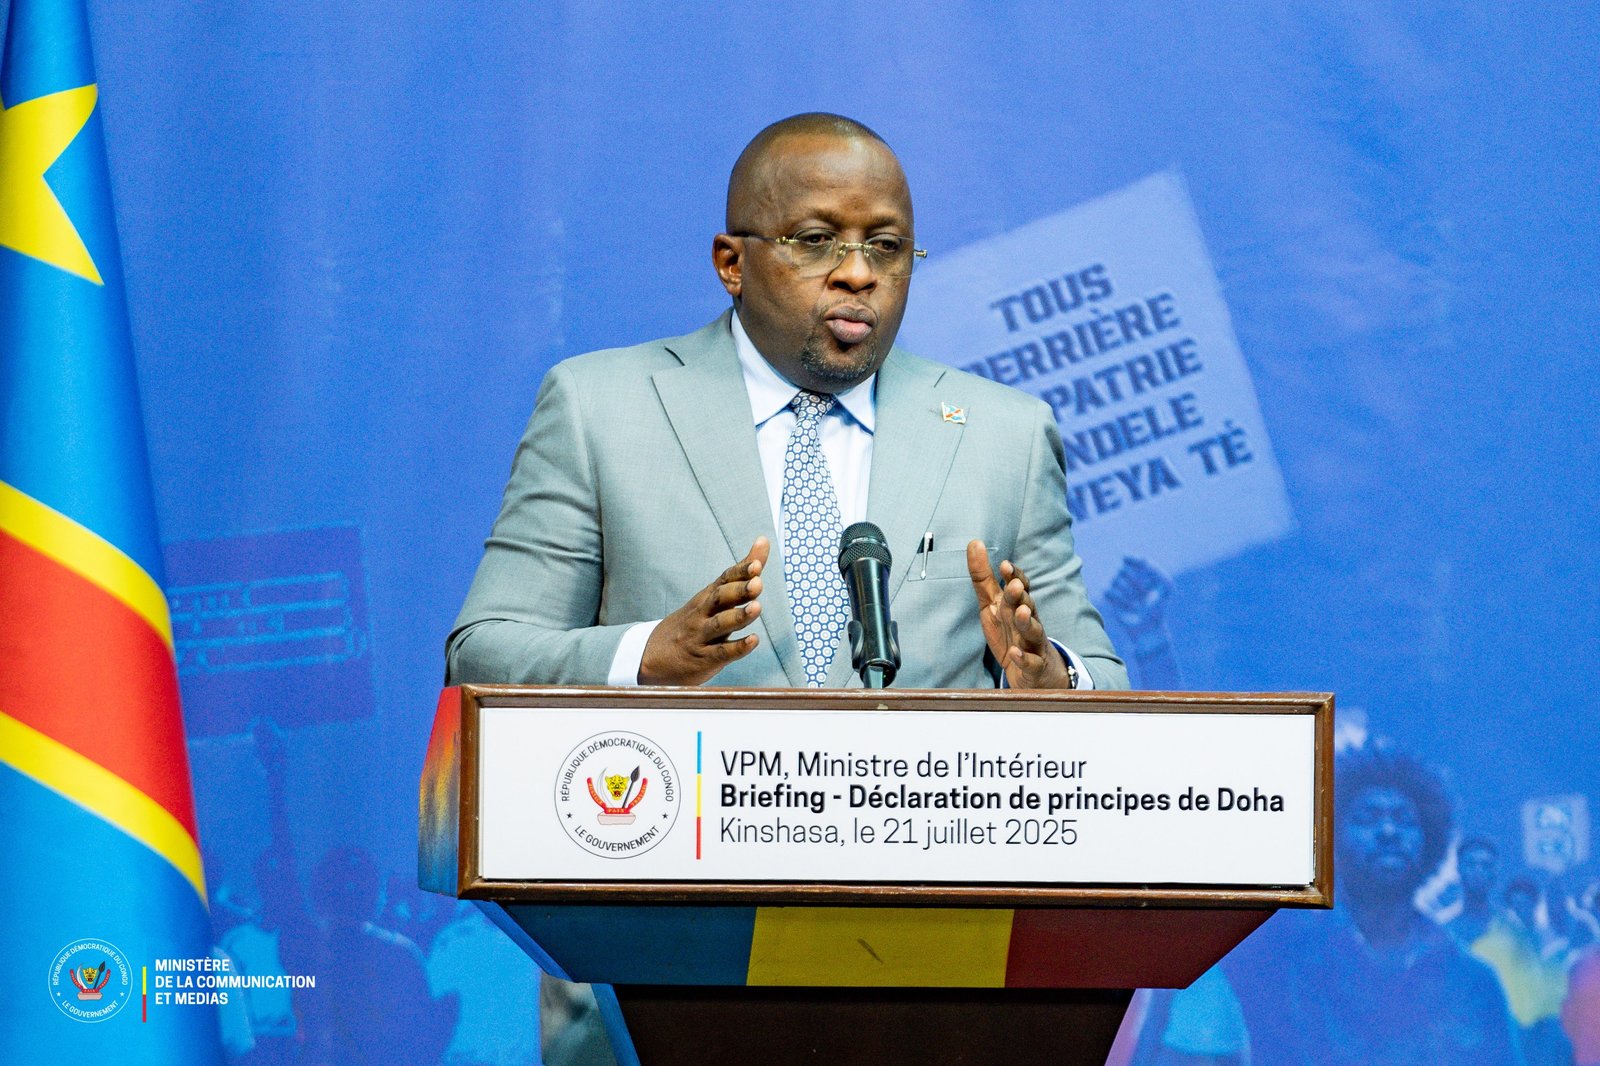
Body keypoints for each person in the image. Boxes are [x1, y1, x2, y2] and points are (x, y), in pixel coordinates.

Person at [447, 113, 1124, 692]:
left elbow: (1101, 675)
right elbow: (483, 652)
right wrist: (647, 655)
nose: (858, 273)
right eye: (816, 241)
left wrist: (1050, 677)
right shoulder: (600, 410)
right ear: (731, 264)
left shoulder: (1005, 435)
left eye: (886, 247)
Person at [1224, 746, 1522, 1064]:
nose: (1388, 832)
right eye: (1366, 818)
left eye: (1405, 820)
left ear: (1430, 841)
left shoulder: (1474, 983)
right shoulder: (1281, 957)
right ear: (1331, 836)